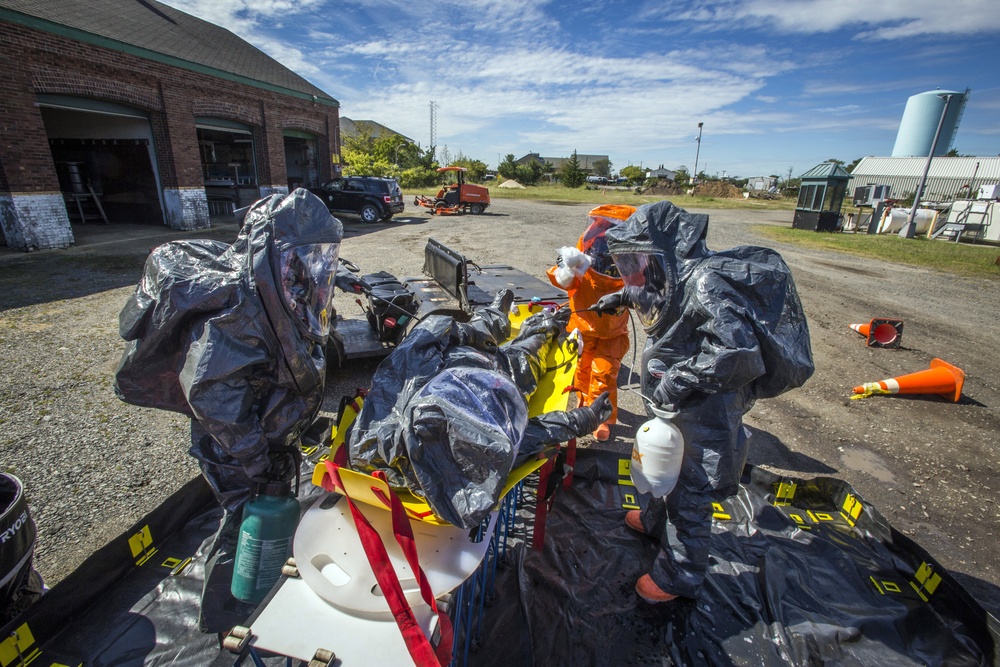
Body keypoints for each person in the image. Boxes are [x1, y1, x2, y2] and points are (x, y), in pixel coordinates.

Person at [113, 189, 345, 630]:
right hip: (240, 452)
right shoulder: (238, 307)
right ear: (270, 249)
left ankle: (256, 593)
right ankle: (226, 616)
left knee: (259, 522)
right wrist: (258, 461)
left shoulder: (275, 282)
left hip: (264, 441)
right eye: (304, 254)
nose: (312, 264)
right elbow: (212, 395)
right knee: (244, 523)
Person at [596, 200, 814, 603]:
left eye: (639, 261)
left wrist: (678, 380)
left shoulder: (707, 281)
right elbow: (663, 291)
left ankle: (680, 575)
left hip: (705, 409)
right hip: (682, 406)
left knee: (690, 491)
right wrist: (624, 297)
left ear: (668, 249)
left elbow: (737, 354)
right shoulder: (680, 275)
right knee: (663, 468)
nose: (636, 271)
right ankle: (652, 519)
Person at [349, 291, 612, 529]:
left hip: (461, 360)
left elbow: (427, 334)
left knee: (475, 332)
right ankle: (546, 325)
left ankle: (495, 316)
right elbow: (528, 437)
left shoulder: (375, 435)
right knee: (528, 353)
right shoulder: (476, 453)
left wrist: (468, 335)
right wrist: (581, 420)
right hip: (497, 372)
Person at [546, 204, 635, 441]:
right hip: (582, 324)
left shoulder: (633, 258)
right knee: (582, 370)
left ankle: (601, 418)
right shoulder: (587, 245)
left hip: (612, 330)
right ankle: (584, 406)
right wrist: (564, 272)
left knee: (604, 373)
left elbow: (646, 289)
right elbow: (565, 279)